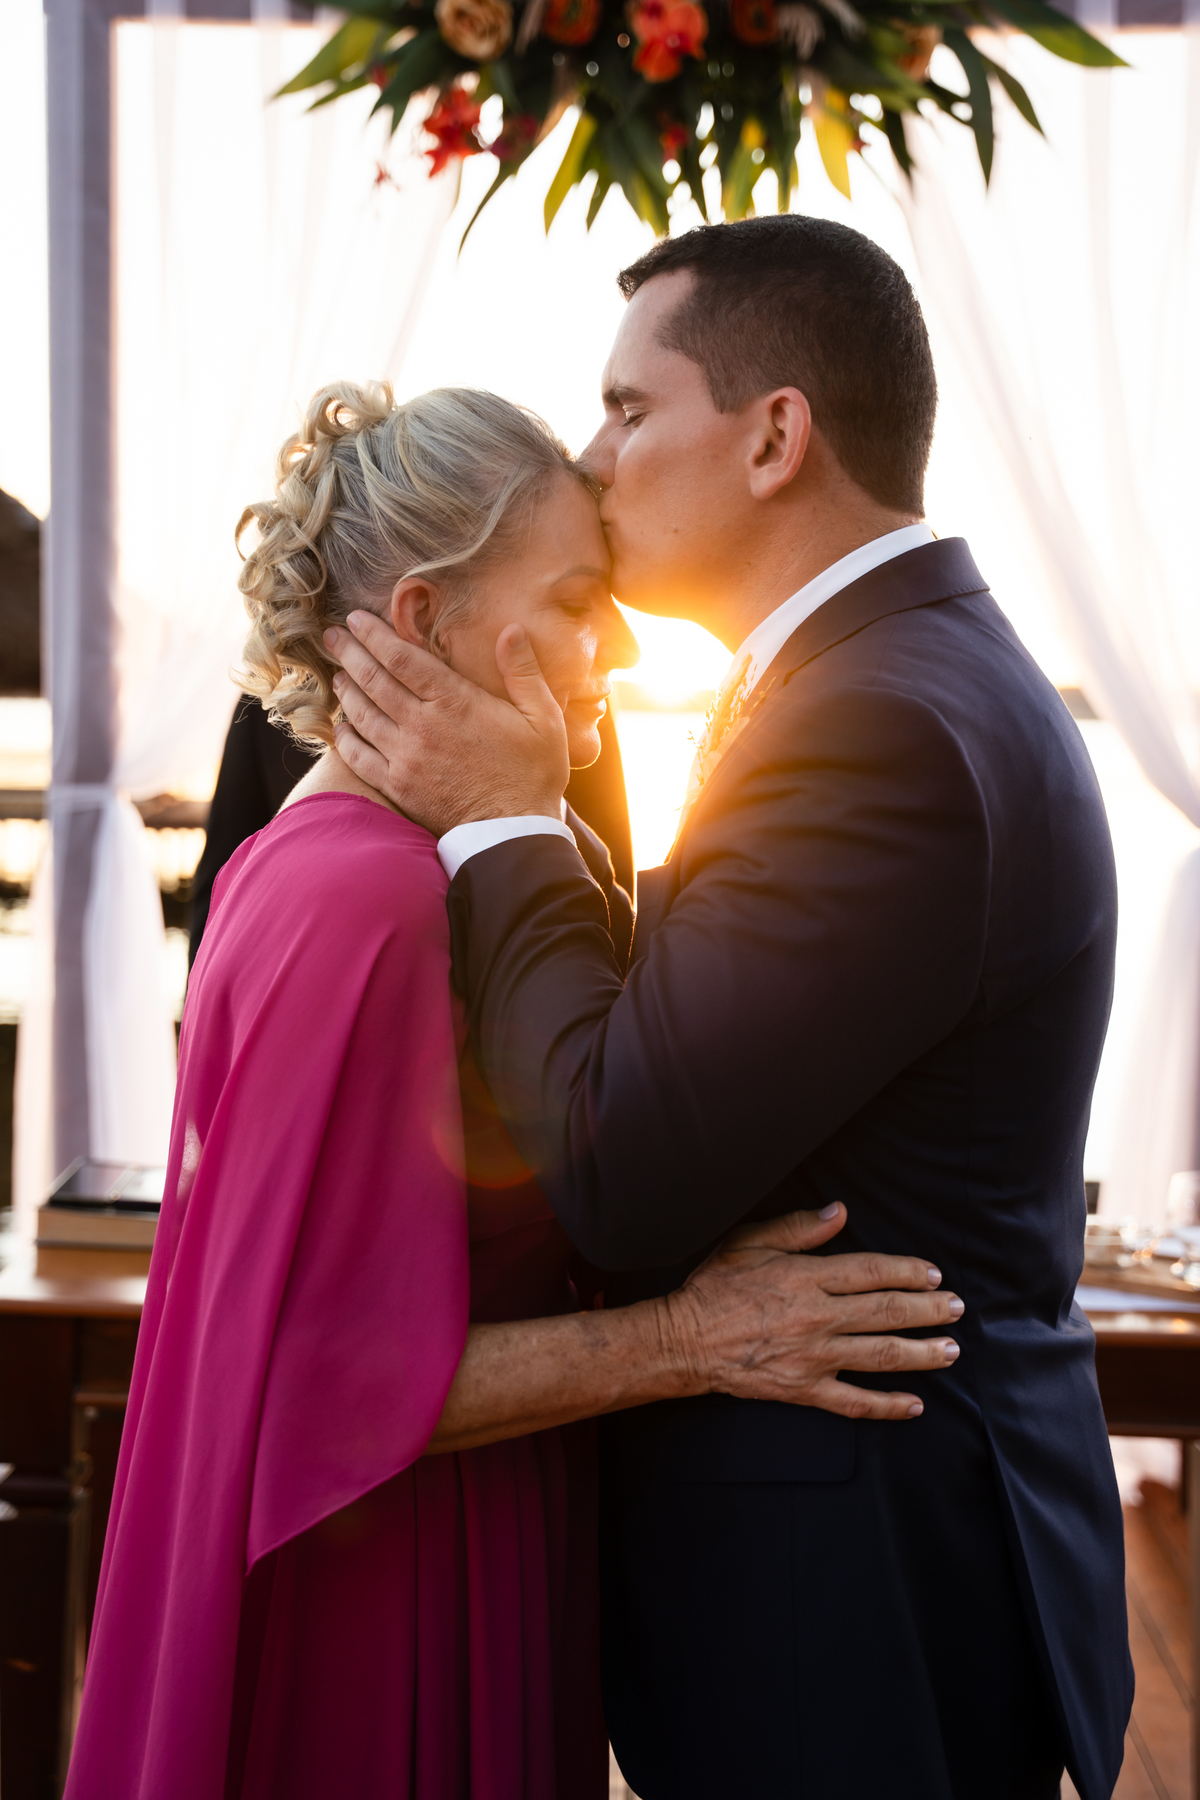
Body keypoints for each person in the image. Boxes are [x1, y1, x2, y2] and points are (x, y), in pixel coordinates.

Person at [327, 217, 1133, 1800]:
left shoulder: (875, 724)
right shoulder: (896, 675)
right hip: (880, 1547)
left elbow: (619, 1164)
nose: (592, 458)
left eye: (629, 409)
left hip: (856, 1584)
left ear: (775, 437)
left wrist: (504, 817)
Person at [64, 381, 963, 1800]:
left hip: (472, 1526)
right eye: (578, 599)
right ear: (426, 619)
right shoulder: (366, 899)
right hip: (392, 1587)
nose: (620, 644)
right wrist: (694, 1338)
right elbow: (319, 1377)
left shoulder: (353, 860)